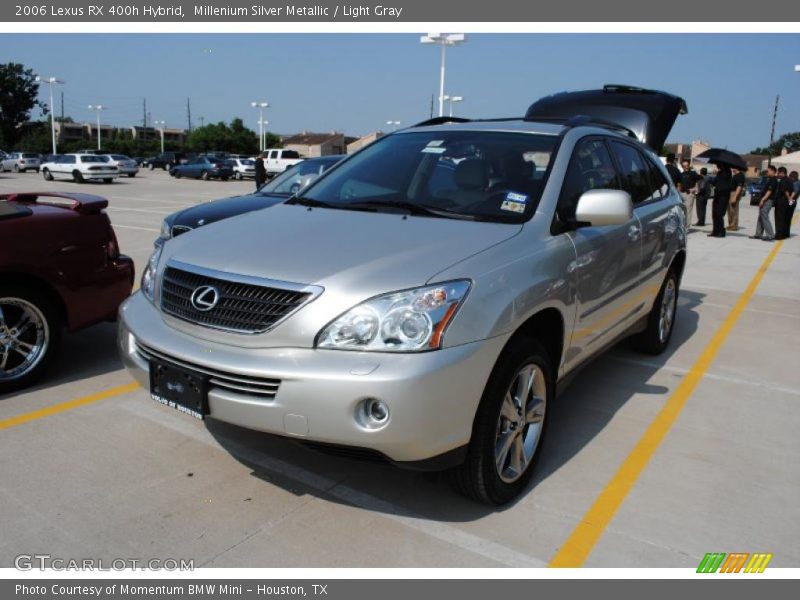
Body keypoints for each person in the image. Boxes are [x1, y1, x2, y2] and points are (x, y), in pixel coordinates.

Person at [751, 165, 778, 241]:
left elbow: (769, 191)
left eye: (768, 170)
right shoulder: (769, 179)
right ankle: (758, 234)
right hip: (765, 200)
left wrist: (763, 200)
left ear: (773, 171)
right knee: (761, 217)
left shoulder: (773, 180)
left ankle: (770, 235)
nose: (767, 172)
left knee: (764, 216)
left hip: (768, 200)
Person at [710, 165, 732, 237]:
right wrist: (711, 180)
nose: (717, 166)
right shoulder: (719, 173)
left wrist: (720, 187)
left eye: (718, 164)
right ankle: (715, 231)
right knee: (714, 214)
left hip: (723, 196)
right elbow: (716, 182)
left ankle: (721, 231)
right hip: (717, 195)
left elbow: (726, 185)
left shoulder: (728, 173)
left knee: (720, 214)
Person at [773, 167, 794, 240]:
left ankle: (779, 235)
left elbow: (785, 190)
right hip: (787, 202)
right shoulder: (790, 180)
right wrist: (791, 199)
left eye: (778, 173)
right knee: (786, 218)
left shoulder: (783, 180)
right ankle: (785, 234)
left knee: (779, 219)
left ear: (782, 173)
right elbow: (793, 191)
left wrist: (788, 198)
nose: (777, 174)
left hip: (781, 201)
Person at [679, 158, 699, 226]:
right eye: (684, 166)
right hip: (682, 194)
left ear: (689, 165)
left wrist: (694, 189)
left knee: (688, 210)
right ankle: (682, 225)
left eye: (687, 165)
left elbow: (700, 180)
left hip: (689, 194)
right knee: (682, 211)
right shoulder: (681, 174)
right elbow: (679, 184)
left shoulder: (693, 173)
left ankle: (686, 227)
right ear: (682, 167)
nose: (686, 167)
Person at [727, 166, 745, 231]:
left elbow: (739, 187)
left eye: (732, 168)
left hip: (734, 193)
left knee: (734, 210)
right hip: (731, 192)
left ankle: (734, 226)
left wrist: (735, 197)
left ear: (736, 168)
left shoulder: (740, 176)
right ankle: (730, 225)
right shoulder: (735, 175)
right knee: (729, 210)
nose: (731, 169)